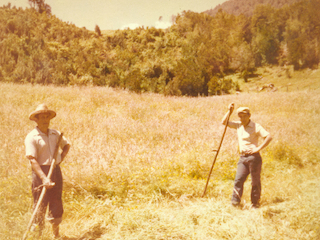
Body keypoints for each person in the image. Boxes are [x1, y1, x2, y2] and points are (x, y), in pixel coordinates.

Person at [25, 104, 71, 238]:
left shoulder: (55, 134)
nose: (45, 120)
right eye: (42, 117)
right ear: (36, 120)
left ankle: (56, 235)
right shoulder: (32, 137)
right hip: (40, 171)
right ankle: (38, 235)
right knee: (40, 203)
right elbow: (32, 160)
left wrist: (60, 159)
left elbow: (67, 145)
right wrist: (44, 178)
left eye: (47, 117)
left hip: (55, 170)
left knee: (56, 201)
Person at [222, 103, 272, 209]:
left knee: (255, 182)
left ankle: (255, 204)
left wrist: (257, 149)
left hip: (254, 158)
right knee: (238, 180)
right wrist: (229, 112)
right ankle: (235, 204)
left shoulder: (255, 126)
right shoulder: (238, 125)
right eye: (240, 116)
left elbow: (269, 136)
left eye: (244, 116)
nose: (242, 118)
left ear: (249, 115)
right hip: (242, 158)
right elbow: (224, 122)